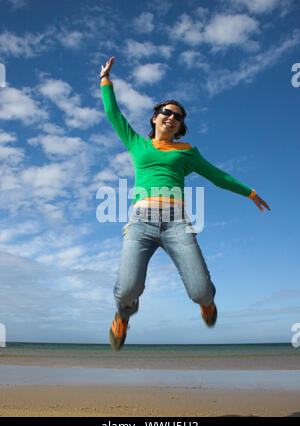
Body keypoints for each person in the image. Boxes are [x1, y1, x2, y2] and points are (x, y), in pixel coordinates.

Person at [100, 56, 270, 351]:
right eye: (166, 112)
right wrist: (105, 81)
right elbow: (113, 114)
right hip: (141, 222)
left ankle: (207, 304)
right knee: (128, 288)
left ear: (180, 127)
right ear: (155, 117)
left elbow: (217, 175)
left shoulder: (187, 152)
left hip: (177, 223)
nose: (171, 117)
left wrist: (250, 192)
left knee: (201, 292)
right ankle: (124, 316)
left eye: (177, 117)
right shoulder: (137, 142)